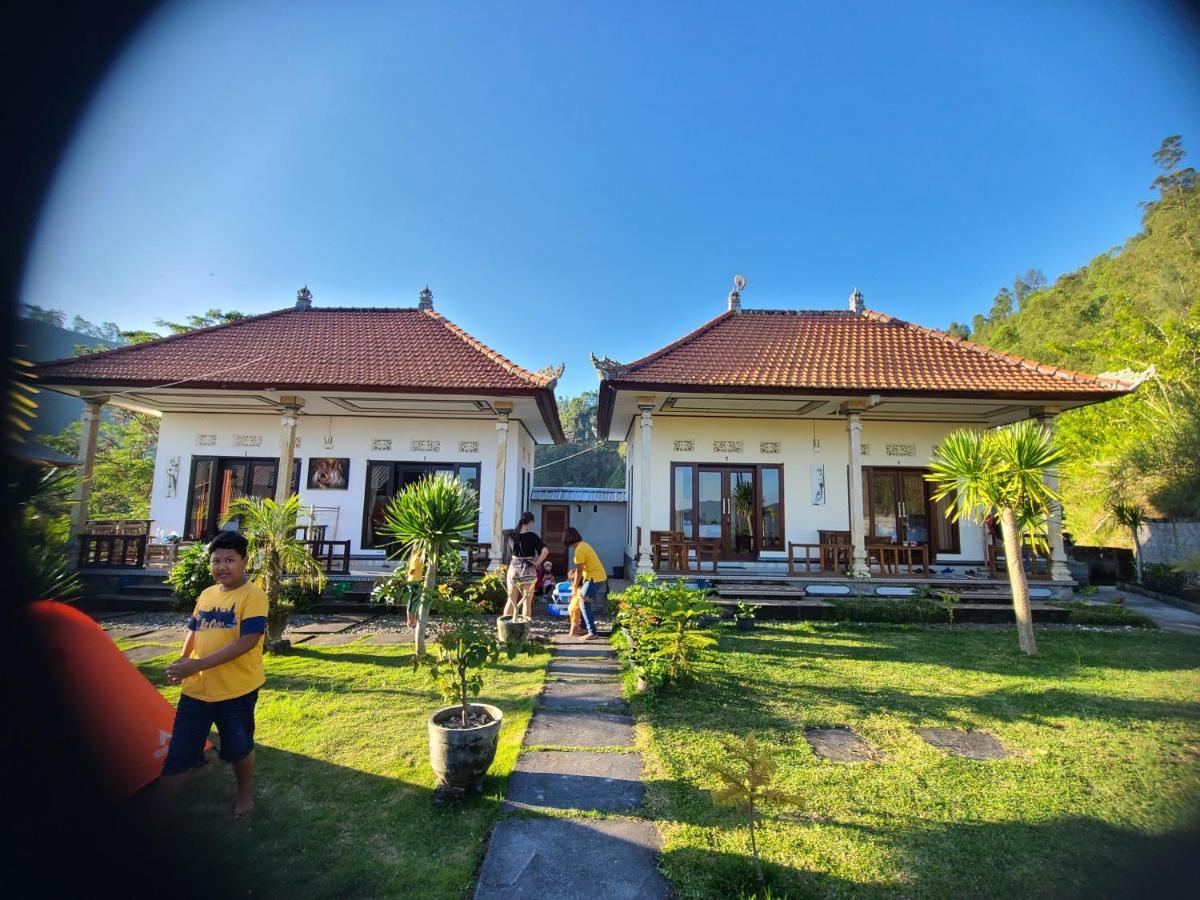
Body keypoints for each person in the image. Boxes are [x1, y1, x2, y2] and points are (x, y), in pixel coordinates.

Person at [160, 531, 268, 817]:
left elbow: (248, 642)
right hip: (196, 689)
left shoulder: (253, 596)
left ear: (245, 561)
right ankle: (156, 814)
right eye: (216, 561)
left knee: (238, 746)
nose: (222, 567)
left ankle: (244, 792)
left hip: (236, 690)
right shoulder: (207, 594)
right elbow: (194, 631)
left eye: (230, 560)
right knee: (180, 750)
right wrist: (183, 663)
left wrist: (197, 664)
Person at [563, 526, 607, 640]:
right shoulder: (584, 545)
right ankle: (583, 628)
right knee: (584, 600)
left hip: (594, 578)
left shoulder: (579, 549)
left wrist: (574, 586)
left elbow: (579, 570)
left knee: (583, 602)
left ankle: (592, 632)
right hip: (596, 577)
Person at [504, 512, 548, 620]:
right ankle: (526, 631)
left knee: (511, 601)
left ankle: (505, 630)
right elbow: (545, 551)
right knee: (526, 602)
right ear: (531, 522)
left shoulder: (511, 535)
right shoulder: (532, 536)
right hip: (528, 568)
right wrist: (538, 562)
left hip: (513, 567)